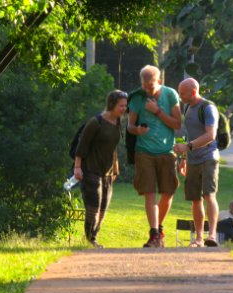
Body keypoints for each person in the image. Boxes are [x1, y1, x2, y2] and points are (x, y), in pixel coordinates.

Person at [127, 65, 181, 248]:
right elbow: (130, 126)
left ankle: (159, 228)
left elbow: (177, 124)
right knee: (149, 192)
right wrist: (138, 130)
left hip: (166, 151)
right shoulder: (137, 98)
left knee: (168, 192)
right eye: (144, 86)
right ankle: (154, 233)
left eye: (151, 86)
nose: (147, 90)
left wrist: (157, 111)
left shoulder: (170, 95)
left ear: (159, 81)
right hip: (144, 152)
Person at [74, 89, 128, 248]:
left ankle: (93, 237)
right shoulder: (95, 122)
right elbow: (82, 145)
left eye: (125, 106)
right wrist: (77, 167)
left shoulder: (117, 122)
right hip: (91, 170)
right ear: (112, 104)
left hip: (108, 172)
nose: (124, 109)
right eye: (121, 106)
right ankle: (90, 239)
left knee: (103, 207)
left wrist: (115, 169)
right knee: (93, 206)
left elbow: (113, 148)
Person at [174, 77, 220, 247]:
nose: (180, 96)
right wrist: (184, 158)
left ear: (193, 92)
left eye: (183, 93)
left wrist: (187, 147)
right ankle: (199, 239)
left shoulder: (208, 108)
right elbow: (190, 135)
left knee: (209, 195)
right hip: (192, 159)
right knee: (195, 199)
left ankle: (212, 235)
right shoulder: (187, 107)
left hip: (209, 157)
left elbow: (210, 135)